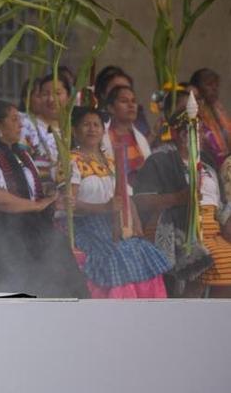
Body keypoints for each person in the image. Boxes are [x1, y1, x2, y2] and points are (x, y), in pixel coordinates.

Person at [0, 100, 88, 298]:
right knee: (22, 273)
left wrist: (53, 202)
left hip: (27, 225)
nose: (20, 125)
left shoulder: (22, 153)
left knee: (56, 250)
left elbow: (36, 193)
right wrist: (35, 206)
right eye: (14, 119)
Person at [68, 106, 169, 299]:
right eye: (86, 125)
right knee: (118, 253)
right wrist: (103, 208)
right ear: (74, 130)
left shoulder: (110, 161)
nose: (92, 129)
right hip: (85, 225)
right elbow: (69, 204)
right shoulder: (70, 161)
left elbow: (125, 197)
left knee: (142, 249)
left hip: (114, 224)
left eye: (96, 125)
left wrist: (137, 225)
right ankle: (119, 315)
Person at [133, 113, 231, 296]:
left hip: (213, 230)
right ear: (176, 134)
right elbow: (142, 201)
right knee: (212, 261)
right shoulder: (159, 160)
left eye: (200, 130)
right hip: (178, 229)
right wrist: (178, 198)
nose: (197, 135)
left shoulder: (207, 161)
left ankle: (217, 319)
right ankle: (186, 316)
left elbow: (221, 204)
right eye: (190, 131)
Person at [20, 75, 65, 183]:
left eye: (56, 94)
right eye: (41, 95)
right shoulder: (24, 124)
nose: (50, 99)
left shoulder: (69, 129)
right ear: (26, 99)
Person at [102, 85, 152, 182]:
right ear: (111, 108)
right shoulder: (102, 138)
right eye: (124, 101)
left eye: (133, 101)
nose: (131, 105)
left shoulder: (140, 138)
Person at [190, 69, 231, 168]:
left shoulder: (218, 110)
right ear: (196, 89)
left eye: (216, 85)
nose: (214, 88)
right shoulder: (193, 113)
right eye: (209, 84)